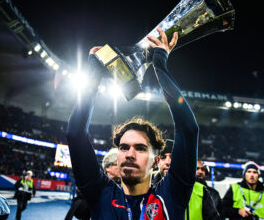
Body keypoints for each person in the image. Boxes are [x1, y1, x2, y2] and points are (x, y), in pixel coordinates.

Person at [66, 27, 199, 219]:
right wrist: (94, 75)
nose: (129, 154)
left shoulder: (172, 194)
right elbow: (75, 134)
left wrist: (159, 64)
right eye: (123, 147)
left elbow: (188, 129)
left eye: (141, 148)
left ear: (156, 161)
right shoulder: (100, 193)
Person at [152, 140, 220, 220]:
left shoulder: (200, 191)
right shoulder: (145, 189)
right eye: (163, 157)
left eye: (173, 156)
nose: (168, 162)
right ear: (157, 161)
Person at [65, 147, 121, 220]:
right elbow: (79, 211)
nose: (122, 167)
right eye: (118, 164)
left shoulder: (127, 186)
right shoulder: (95, 184)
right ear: (108, 167)